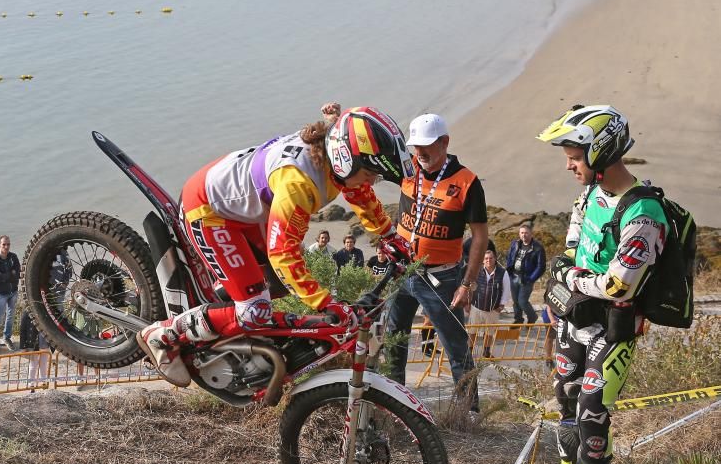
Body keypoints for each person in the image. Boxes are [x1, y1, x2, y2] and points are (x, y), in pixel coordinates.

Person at [138, 104, 413, 385]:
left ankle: (221, 306)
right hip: (209, 210)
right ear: (345, 160)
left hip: (244, 205)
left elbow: (358, 192)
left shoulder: (333, 158)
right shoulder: (300, 184)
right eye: (370, 173)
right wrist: (325, 303)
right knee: (256, 311)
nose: (372, 181)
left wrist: (388, 236)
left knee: (277, 285)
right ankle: (164, 335)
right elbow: (283, 253)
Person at [522, 104, 669, 464]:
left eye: (574, 156)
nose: (569, 165)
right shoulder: (588, 195)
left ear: (601, 153)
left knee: (592, 412)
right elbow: (572, 245)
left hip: (614, 328)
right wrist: (563, 286)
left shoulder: (643, 212)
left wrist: (567, 278)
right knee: (565, 397)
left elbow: (620, 285)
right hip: (575, 318)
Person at [386, 113, 488, 413]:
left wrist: (467, 284)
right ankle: (394, 404)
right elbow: (366, 159)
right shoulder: (408, 168)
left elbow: (480, 236)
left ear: (445, 142)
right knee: (395, 341)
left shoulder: (466, 181)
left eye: (427, 146)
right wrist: (333, 121)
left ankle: (468, 412)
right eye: (415, 146)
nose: (420, 153)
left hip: (442, 280)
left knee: (456, 346)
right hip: (402, 271)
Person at [468, 250, 510, 358]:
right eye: (486, 258)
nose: (488, 260)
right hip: (476, 307)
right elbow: (469, 288)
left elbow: (506, 290)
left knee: (489, 332)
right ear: (483, 260)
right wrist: (468, 303)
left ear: (495, 259)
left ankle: (486, 352)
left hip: (493, 309)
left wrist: (501, 305)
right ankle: (469, 352)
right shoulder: (477, 271)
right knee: (472, 331)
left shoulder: (503, 273)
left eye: (491, 258)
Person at [505, 224, 546, 326]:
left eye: (526, 233)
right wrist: (509, 269)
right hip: (513, 276)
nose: (524, 235)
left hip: (526, 278)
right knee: (515, 301)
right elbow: (509, 256)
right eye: (522, 233)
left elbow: (541, 266)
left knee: (522, 301)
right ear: (519, 234)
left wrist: (531, 278)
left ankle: (532, 316)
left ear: (531, 234)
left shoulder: (537, 248)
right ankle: (518, 319)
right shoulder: (515, 244)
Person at [0, 235, 21, 353]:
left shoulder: (13, 257)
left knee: (10, 317)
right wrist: (10, 274)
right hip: (1, 293)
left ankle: (6, 338)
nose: (6, 247)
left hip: (13, 291)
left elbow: (18, 273)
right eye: (4, 244)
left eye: (8, 244)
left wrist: (7, 275)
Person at [19, 310, 49, 381]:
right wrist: (23, 346)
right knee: (33, 365)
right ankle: (31, 384)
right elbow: (22, 330)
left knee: (43, 365)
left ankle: (43, 383)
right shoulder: (27, 313)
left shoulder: (46, 311)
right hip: (33, 343)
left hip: (44, 342)